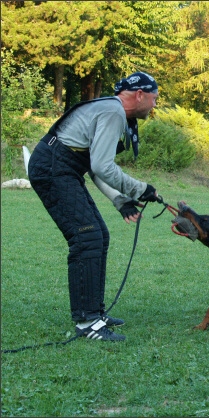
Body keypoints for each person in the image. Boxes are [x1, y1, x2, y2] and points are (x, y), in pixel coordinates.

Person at [28, 72, 161, 341]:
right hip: (53, 169)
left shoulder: (110, 110)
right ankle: (88, 322)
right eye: (155, 98)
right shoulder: (113, 112)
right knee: (86, 237)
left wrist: (120, 200)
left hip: (62, 169)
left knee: (98, 235)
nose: (155, 104)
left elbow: (94, 165)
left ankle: (94, 313)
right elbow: (102, 166)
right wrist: (140, 189)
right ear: (139, 95)